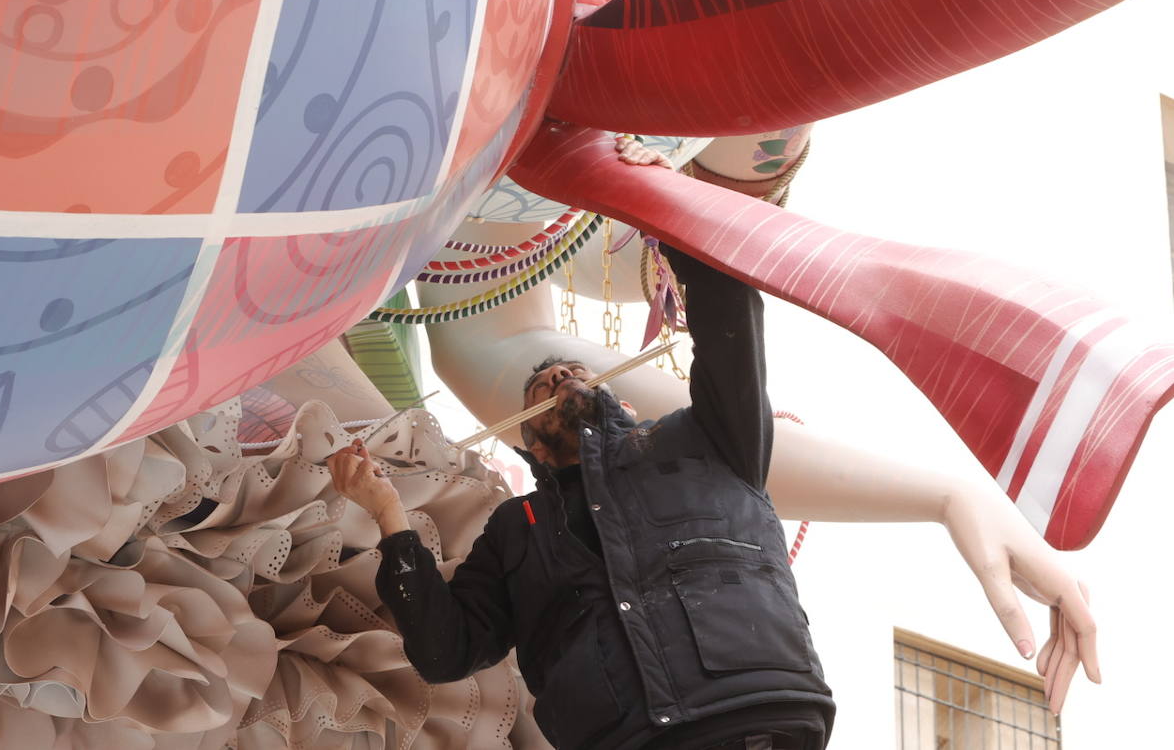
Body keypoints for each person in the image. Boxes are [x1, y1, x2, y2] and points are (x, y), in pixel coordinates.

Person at [330, 143, 1099, 749]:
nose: (560, 379)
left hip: (755, 713)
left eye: (569, 371)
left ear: (618, 396)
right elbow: (444, 648)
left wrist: (671, 197)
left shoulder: (703, 440)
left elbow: (730, 316)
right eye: (540, 386)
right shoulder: (516, 532)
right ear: (526, 443)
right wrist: (391, 519)